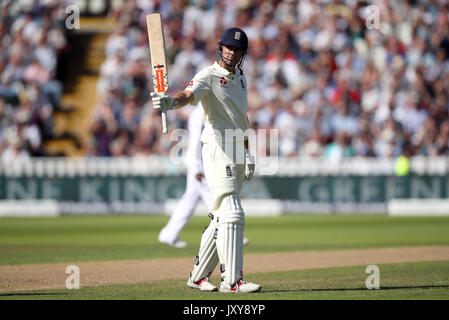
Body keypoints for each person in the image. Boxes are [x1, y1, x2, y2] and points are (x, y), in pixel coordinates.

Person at [151, 28, 260, 293]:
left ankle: (198, 276)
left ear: (243, 54)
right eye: (228, 48)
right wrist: (169, 102)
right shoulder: (208, 75)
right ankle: (232, 281)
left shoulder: (241, 78)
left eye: (237, 50)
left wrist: (246, 151)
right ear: (220, 47)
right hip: (216, 150)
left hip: (236, 152)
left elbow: (240, 118)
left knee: (222, 217)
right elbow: (188, 95)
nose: (232, 53)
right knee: (233, 212)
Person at [158, 103, 251, 249]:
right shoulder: (199, 114)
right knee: (216, 198)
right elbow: (195, 143)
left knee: (190, 200)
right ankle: (229, 233)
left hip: (200, 163)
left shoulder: (202, 111)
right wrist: (196, 168)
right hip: (200, 164)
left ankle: (169, 234)